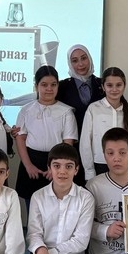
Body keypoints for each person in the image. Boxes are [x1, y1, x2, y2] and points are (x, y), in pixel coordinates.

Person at [25, 143, 93, 254]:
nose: (62, 171)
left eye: (68, 166)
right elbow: (34, 233)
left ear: (76, 170)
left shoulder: (86, 198)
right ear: (49, 169)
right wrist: (41, 250)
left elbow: (81, 240)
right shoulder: (38, 196)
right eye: (57, 166)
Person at [14, 66, 78, 205]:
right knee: (32, 207)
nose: (49, 89)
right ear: (36, 86)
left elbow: (68, 144)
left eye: (53, 85)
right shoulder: (26, 110)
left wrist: (57, 168)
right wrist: (28, 165)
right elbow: (20, 138)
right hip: (31, 162)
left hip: (57, 163)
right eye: (44, 85)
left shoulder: (66, 112)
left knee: (56, 207)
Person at [79, 66, 128, 181]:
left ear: (124, 86)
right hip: (100, 164)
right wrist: (89, 171)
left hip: (123, 164)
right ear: (103, 87)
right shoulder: (94, 109)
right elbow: (85, 141)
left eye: (118, 85)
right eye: (109, 85)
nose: (114, 89)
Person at [56, 44, 103, 135]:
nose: (80, 64)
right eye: (75, 61)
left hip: (99, 139)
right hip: (72, 140)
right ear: (70, 64)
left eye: (84, 58)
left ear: (89, 58)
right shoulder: (62, 87)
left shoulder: (103, 84)